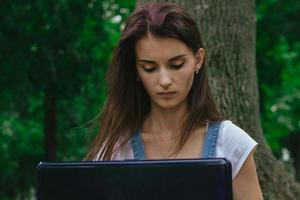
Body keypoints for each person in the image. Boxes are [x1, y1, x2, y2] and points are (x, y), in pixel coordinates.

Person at [85, 2, 263, 199]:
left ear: (198, 60)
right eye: (149, 68)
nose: (164, 81)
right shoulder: (116, 150)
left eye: (176, 65)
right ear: (135, 70)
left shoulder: (230, 143)